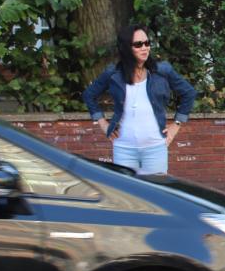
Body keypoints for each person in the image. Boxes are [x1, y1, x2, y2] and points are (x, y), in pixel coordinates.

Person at [83, 25, 197, 175]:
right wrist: (103, 123)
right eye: (138, 44)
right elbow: (89, 95)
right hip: (124, 148)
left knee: (154, 195)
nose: (145, 48)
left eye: (147, 43)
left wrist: (176, 125)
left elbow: (189, 93)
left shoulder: (162, 71)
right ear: (126, 48)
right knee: (126, 195)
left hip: (155, 147)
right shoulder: (113, 73)